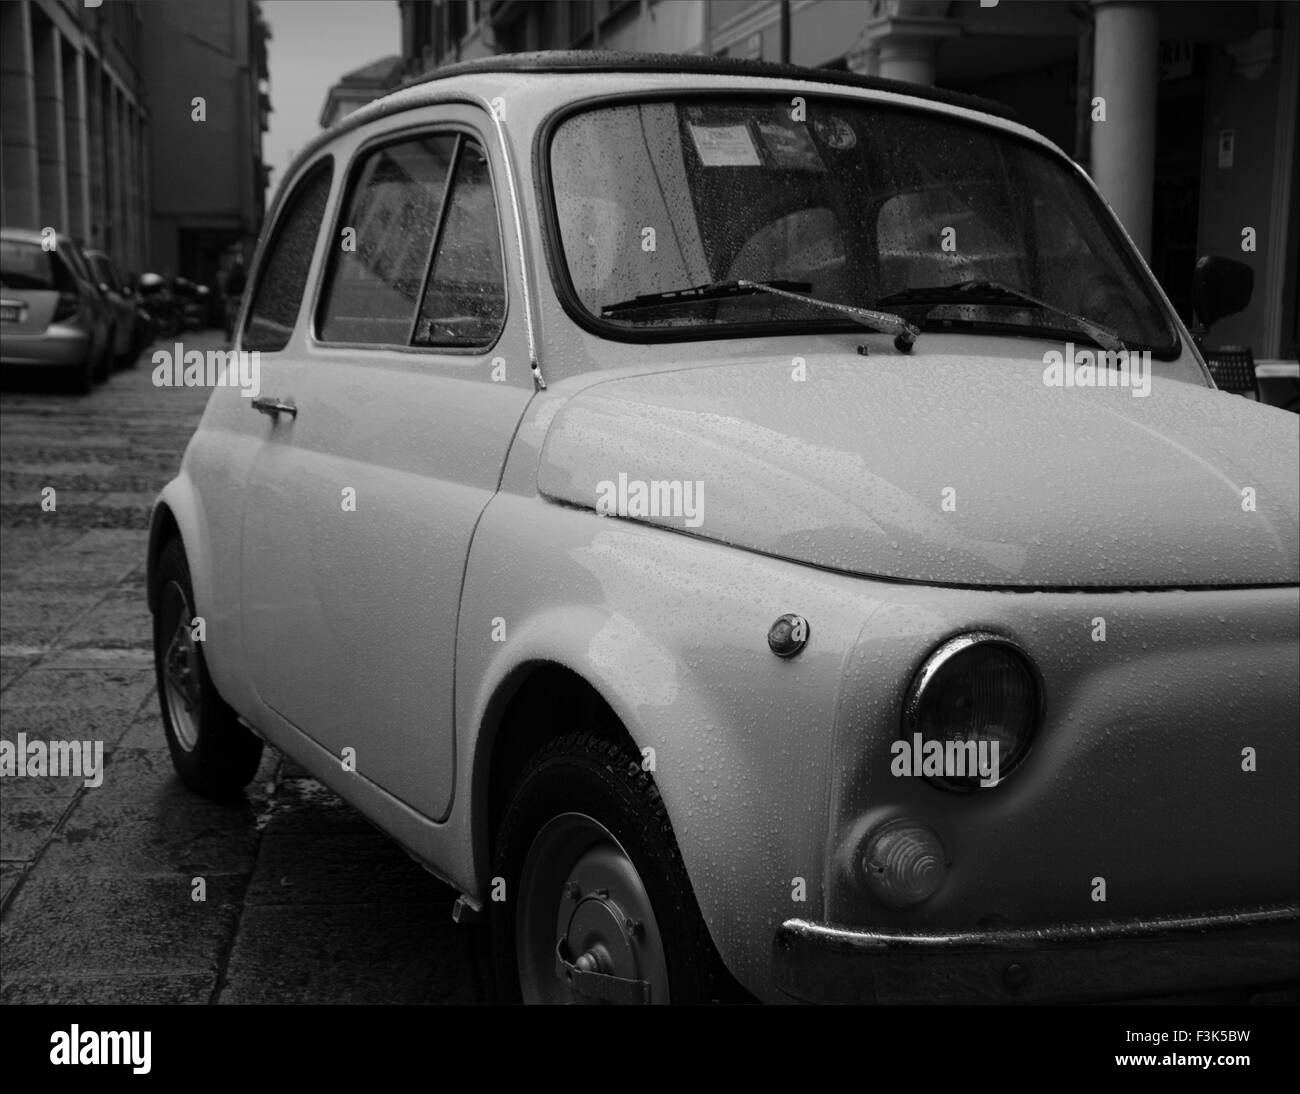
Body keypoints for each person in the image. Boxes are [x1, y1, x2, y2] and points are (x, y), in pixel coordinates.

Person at [223, 255, 247, 343]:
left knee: (232, 317)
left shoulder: (234, 276)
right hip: (237, 298)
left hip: (235, 298)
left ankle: (231, 336)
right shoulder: (239, 276)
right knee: (234, 317)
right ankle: (232, 336)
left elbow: (227, 288)